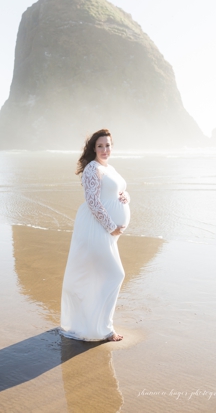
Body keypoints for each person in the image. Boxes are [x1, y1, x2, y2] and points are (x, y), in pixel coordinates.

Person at [60, 129, 129, 342]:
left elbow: (115, 191)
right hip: (95, 229)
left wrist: (125, 195)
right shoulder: (92, 168)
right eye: (100, 146)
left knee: (99, 275)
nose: (105, 150)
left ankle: (92, 322)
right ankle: (104, 329)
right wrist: (111, 226)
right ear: (93, 148)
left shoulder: (109, 168)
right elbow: (93, 202)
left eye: (108, 145)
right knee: (115, 274)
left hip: (106, 232)